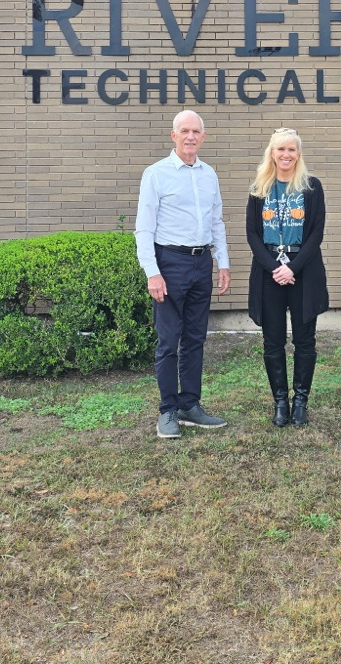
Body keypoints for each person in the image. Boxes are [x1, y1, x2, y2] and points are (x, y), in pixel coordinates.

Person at [135, 110, 230, 439]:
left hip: (201, 263)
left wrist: (223, 262)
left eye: (196, 132)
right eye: (184, 131)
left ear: (203, 137)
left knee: (195, 339)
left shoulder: (209, 175)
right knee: (168, 342)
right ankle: (167, 411)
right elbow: (144, 228)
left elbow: (217, 222)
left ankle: (190, 406)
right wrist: (153, 273)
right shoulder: (156, 174)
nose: (191, 137)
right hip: (169, 263)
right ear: (173, 136)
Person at [246, 128, 329, 427]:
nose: (286, 155)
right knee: (273, 341)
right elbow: (252, 234)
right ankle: (280, 401)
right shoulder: (260, 188)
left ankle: (300, 402)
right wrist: (274, 268)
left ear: (298, 153)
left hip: (302, 272)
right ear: (272, 152)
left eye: (291, 149)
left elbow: (317, 233)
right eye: (280, 149)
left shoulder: (311, 187)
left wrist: (292, 268)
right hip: (269, 272)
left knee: (305, 341)